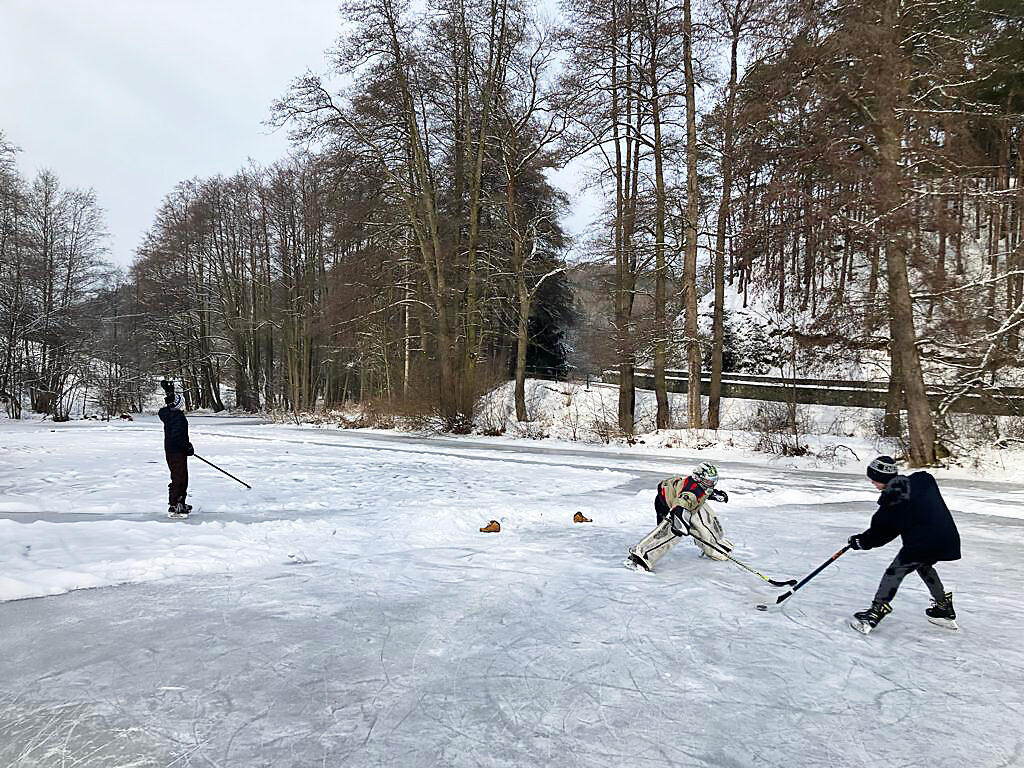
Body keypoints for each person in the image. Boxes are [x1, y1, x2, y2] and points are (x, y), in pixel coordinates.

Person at [848, 455, 961, 634]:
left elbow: (880, 535)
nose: (872, 482)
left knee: (894, 572)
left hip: (922, 543)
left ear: (883, 478)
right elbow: (895, 524)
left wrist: (861, 541)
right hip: (947, 537)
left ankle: (874, 613)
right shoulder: (922, 480)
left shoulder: (892, 502)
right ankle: (943, 607)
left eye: (874, 479)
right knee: (923, 565)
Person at [627, 462, 732, 571]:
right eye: (709, 481)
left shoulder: (700, 486)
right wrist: (680, 522)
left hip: (685, 502)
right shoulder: (691, 492)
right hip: (667, 505)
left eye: (713, 481)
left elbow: (704, 492)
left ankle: (715, 545)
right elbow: (681, 504)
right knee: (669, 533)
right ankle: (642, 557)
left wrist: (715, 495)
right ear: (698, 478)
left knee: (705, 519)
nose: (712, 484)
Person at [158, 381, 194, 517]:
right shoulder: (177, 418)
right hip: (177, 451)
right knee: (179, 478)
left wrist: (170, 393)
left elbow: (170, 405)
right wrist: (187, 447)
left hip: (173, 450)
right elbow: (178, 437)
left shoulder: (170, 415)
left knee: (181, 476)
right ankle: (174, 505)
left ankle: (180, 502)